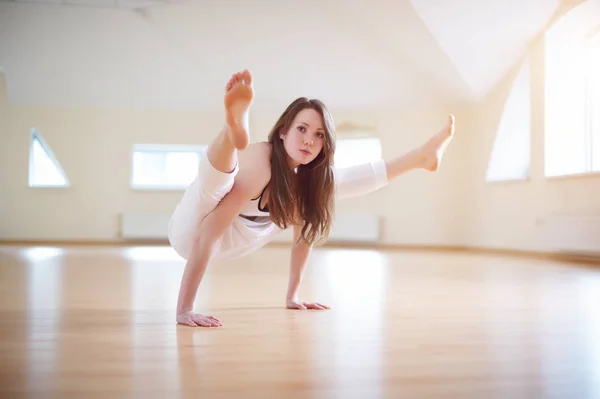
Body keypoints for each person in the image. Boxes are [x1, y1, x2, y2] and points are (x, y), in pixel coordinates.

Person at [168, 69, 455, 328]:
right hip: (191, 233)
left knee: (332, 181)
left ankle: (421, 157)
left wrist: (293, 296)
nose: (309, 140)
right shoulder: (260, 160)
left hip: (230, 244)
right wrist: (185, 309)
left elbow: (301, 242)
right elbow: (207, 233)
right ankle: (230, 134)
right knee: (213, 184)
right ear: (283, 132)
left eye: (319, 135)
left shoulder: (308, 185)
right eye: (301, 129)